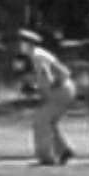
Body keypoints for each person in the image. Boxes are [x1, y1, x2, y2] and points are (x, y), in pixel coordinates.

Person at [19, 28, 75, 166]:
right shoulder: (37, 55)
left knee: (41, 119)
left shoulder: (38, 57)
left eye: (23, 43)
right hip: (63, 89)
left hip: (62, 90)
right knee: (48, 120)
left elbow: (51, 78)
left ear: (29, 44)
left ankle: (46, 156)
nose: (20, 46)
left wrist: (36, 88)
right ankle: (63, 150)